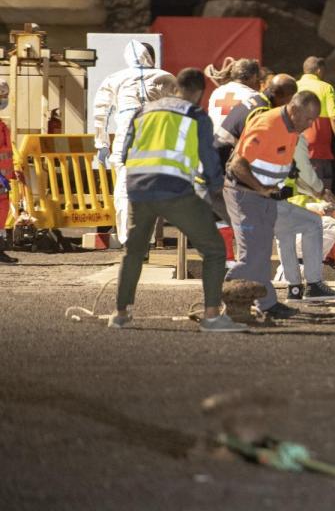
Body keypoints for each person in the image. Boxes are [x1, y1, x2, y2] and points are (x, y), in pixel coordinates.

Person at [107, 68, 245, 332]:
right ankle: (212, 316)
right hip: (175, 191)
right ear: (199, 92)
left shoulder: (144, 111)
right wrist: (216, 187)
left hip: (138, 189)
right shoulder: (195, 115)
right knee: (214, 250)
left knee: (134, 252)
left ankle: (120, 314)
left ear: (176, 87)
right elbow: (209, 159)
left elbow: (124, 153)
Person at [223, 91, 322, 318]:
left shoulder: (293, 130)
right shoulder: (268, 125)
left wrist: (312, 189)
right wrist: (262, 189)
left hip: (264, 197)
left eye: (313, 120)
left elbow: (283, 165)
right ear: (294, 110)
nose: (310, 125)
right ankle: (223, 294)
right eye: (308, 119)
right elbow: (237, 165)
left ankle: (266, 304)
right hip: (245, 194)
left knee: (262, 252)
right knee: (252, 254)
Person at [92, 41, 174, 246]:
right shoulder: (165, 77)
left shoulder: (115, 79)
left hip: (126, 141)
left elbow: (100, 111)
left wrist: (101, 143)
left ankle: (129, 239)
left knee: (123, 191)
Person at [214, 74, 298, 168]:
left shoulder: (256, 99)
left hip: (216, 151)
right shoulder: (263, 112)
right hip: (222, 160)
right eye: (289, 100)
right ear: (279, 96)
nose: (288, 104)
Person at [296, 56, 335, 190]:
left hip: (293, 146)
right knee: (319, 191)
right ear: (319, 71)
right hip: (317, 148)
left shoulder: (293, 86)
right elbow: (334, 118)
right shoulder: (326, 88)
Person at [205, 57, 261, 136]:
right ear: (254, 76)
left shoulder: (217, 92)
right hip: (233, 145)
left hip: (211, 142)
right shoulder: (254, 98)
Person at [0, 80, 17, 264]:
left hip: (2, 181)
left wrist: (12, 173)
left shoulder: (2, 125)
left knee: (2, 213)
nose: (4, 100)